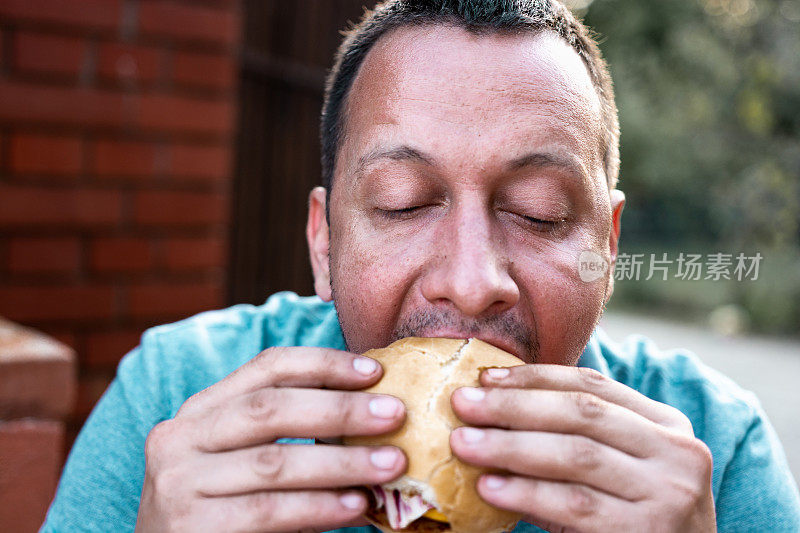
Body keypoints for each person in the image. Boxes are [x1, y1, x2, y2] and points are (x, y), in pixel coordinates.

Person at [42, 1, 800, 532]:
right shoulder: (180, 399)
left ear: (607, 246)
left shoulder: (712, 450)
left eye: (538, 211)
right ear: (323, 244)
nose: (471, 282)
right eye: (404, 204)